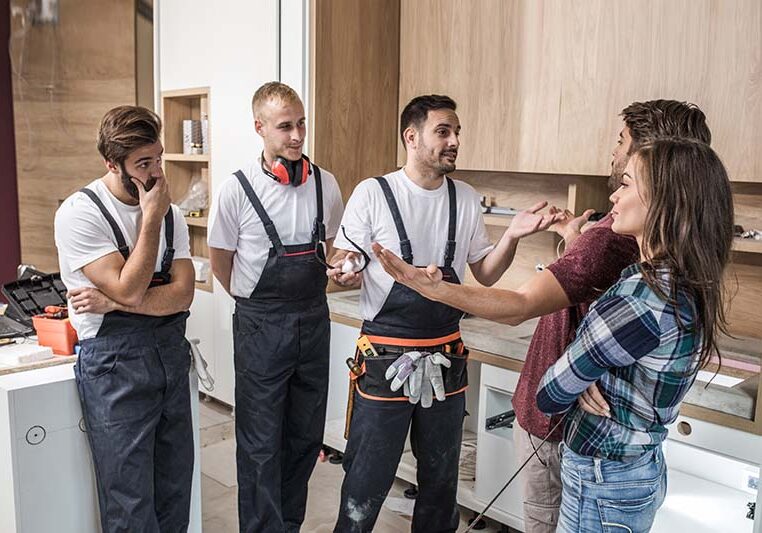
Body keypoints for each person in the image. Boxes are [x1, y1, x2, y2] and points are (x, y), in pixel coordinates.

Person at [372, 100, 712, 532]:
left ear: (655, 169)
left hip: (567, 437)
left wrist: (433, 288)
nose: (613, 158)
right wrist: (567, 243)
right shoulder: (675, 266)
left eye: (622, 145)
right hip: (632, 457)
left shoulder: (622, 263)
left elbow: (521, 312)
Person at [331, 94, 558, 533]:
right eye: (443, 131)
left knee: (440, 481)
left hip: (446, 357)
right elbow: (348, 258)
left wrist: (511, 235)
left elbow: (486, 275)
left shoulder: (466, 198)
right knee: (366, 478)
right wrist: (347, 268)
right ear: (411, 137)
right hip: (384, 358)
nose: (454, 140)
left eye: (457, 132)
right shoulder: (374, 193)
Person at [537, 138, 734, 532]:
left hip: (603, 478)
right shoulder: (681, 282)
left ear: (663, 201)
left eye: (625, 184)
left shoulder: (639, 300)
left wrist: (580, 378)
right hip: (637, 468)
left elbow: (551, 393)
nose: (613, 195)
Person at [207, 81, 344, 532]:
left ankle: (289, 525)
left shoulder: (326, 184)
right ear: (259, 128)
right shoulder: (236, 190)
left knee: (304, 438)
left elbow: (330, 252)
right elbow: (221, 266)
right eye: (285, 126)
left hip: (313, 319)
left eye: (301, 123)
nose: (298, 135)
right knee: (261, 444)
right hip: (261, 325)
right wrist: (257, 306)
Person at [54, 105, 196, 532]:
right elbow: (134, 286)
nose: (155, 175)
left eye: (159, 159)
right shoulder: (81, 214)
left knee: (174, 494)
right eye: (143, 165)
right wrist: (150, 217)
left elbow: (183, 294)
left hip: (170, 360)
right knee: (130, 504)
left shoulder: (173, 213)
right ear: (112, 164)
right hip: (115, 368)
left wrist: (115, 301)